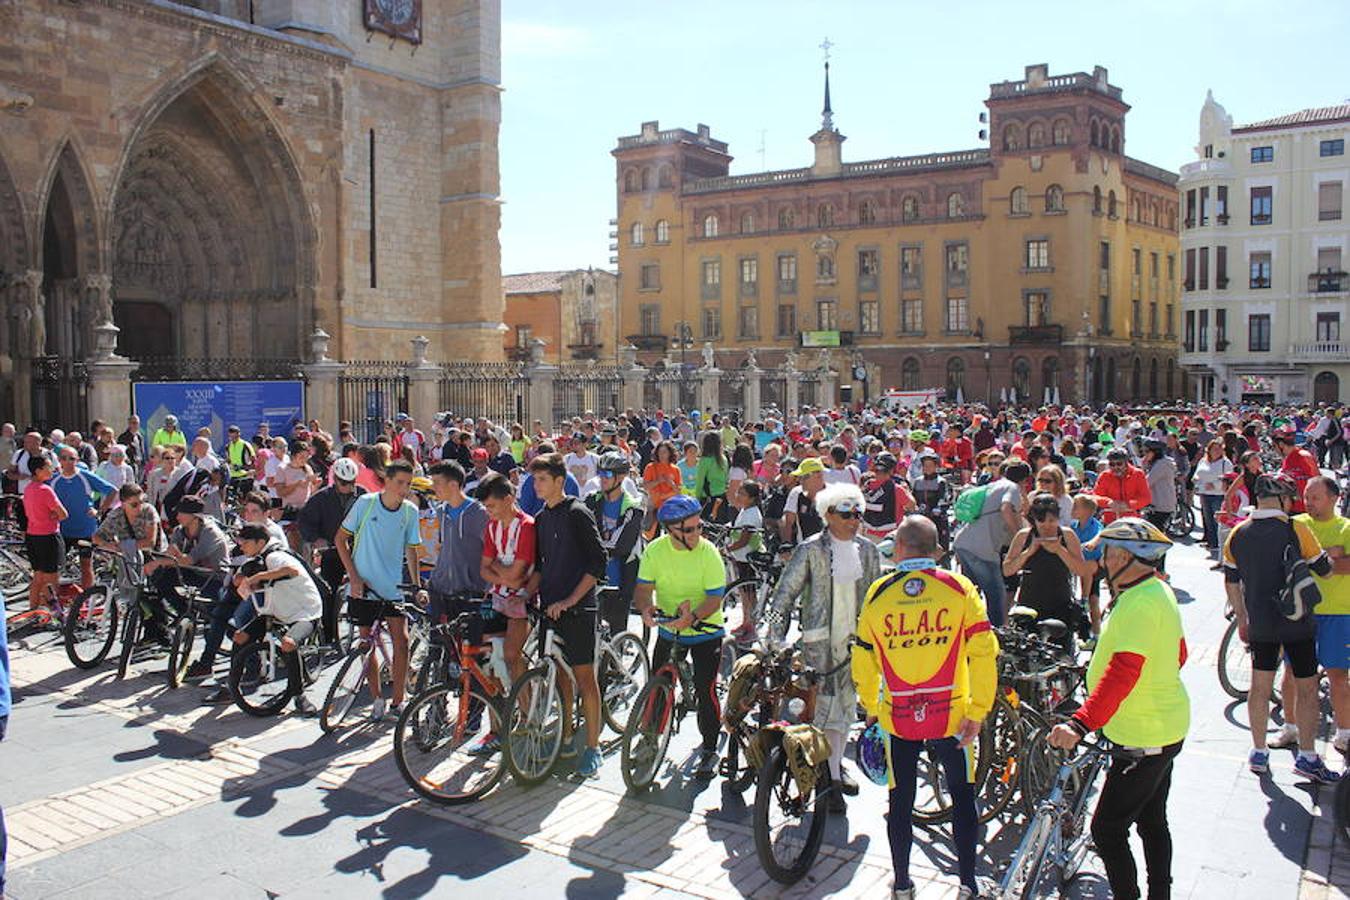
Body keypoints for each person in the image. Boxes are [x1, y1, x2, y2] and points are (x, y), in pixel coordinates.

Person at [853, 514, 997, 900]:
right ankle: (967, 884)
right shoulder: (959, 587)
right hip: (953, 716)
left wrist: (870, 705)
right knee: (963, 798)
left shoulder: (879, 593)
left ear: (898, 548)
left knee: (900, 803)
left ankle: (902, 885)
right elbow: (984, 652)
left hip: (899, 718)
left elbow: (863, 657)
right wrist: (978, 710)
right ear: (936, 550)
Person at [1048, 517, 1189, 900]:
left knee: (1107, 830)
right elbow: (1179, 654)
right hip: (1162, 726)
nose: (1104, 561)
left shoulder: (1141, 603)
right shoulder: (1156, 591)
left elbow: (1122, 673)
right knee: (1151, 819)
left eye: (1108, 554)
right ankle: (1160, 893)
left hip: (1143, 735)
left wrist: (1080, 724)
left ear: (1126, 556)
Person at [766, 483, 882, 812]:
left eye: (857, 513)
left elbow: (878, 600)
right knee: (812, 713)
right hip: (817, 650)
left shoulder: (869, 552)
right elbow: (783, 596)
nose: (853, 520)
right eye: (845, 513)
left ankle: (831, 778)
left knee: (844, 714)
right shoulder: (810, 550)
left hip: (855, 651)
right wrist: (776, 638)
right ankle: (813, 774)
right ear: (828, 514)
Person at [1223, 473, 1340, 783]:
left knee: (1260, 686)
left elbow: (1231, 582)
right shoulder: (1296, 529)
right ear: (1284, 499)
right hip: (1297, 621)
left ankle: (1259, 751)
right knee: (1306, 686)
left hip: (1260, 622)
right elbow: (1325, 571)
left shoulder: (1238, 533)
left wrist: (1243, 619)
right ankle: (1307, 756)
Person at [527, 452, 608, 777]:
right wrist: (524, 594)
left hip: (579, 610)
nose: (536, 485)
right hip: (550, 608)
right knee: (560, 676)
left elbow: (597, 563)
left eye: (542, 479)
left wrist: (573, 600)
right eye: (534, 479)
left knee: (585, 679)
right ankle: (566, 735)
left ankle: (593, 747)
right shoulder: (542, 518)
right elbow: (539, 567)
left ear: (560, 481)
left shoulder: (577, 512)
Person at [636, 494, 729, 776]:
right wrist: (646, 609)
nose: (698, 533)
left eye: (699, 526)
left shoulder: (708, 552)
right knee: (657, 682)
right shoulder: (655, 550)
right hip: (669, 627)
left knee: (705, 687)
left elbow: (715, 597)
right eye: (690, 530)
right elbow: (642, 589)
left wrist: (694, 617)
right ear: (671, 530)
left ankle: (710, 748)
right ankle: (649, 737)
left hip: (704, 630)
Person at [336, 459, 423, 721]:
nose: (404, 488)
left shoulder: (410, 511)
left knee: (402, 641)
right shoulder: (366, 504)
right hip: (364, 587)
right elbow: (340, 539)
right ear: (386, 481)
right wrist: (354, 576)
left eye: (408, 484)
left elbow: (411, 550)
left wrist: (417, 585)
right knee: (366, 645)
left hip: (392, 588)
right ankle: (376, 699)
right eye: (399, 482)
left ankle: (398, 701)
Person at [228, 523, 324, 715]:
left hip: (304, 611)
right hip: (276, 610)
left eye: (245, 543)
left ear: (259, 542)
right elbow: (239, 578)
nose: (242, 547)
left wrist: (259, 577)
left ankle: (300, 697)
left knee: (288, 644)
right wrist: (242, 579)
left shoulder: (275, 556)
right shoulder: (256, 558)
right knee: (240, 637)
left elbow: (291, 570)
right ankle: (232, 685)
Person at [1295, 476, 1350, 756]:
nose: (1308, 502)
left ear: (1333, 499)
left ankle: (1344, 733)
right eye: (1307, 497)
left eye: (1315, 497)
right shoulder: (1299, 525)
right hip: (1303, 612)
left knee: (1338, 675)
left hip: (1338, 612)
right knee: (1294, 674)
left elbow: (1347, 568)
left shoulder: (1346, 528)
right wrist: (1331, 555)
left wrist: (1316, 559)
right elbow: (1294, 561)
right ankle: (1291, 728)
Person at [1002, 493, 1094, 650]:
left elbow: (1081, 570)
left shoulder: (1067, 535)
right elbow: (1007, 570)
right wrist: (1029, 552)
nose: (1047, 526)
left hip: (1060, 606)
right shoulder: (1024, 536)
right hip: (1029, 606)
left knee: (1060, 656)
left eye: (1051, 521)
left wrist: (1059, 550)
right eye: (1041, 521)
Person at [296, 456, 366, 642]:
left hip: (357, 550)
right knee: (329, 591)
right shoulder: (321, 498)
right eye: (344, 483)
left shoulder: (363, 495)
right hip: (332, 550)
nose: (348, 487)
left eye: (351, 483)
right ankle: (328, 636)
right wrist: (316, 540)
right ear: (335, 480)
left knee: (368, 586)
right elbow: (305, 523)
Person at [951, 460, 1029, 627]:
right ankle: (997, 638)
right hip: (982, 550)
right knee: (997, 597)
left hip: (964, 543)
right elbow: (1006, 509)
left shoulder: (994, 485)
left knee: (969, 594)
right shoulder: (1012, 488)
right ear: (1024, 480)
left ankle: (964, 629)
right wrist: (1019, 536)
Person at [477, 472, 536, 688]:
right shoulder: (492, 526)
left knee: (512, 655)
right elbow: (483, 569)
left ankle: (525, 709)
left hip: (520, 599)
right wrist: (505, 574)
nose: (488, 511)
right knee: (491, 659)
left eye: (491, 506)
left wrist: (496, 566)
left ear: (508, 500)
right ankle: (498, 717)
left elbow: (516, 576)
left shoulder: (526, 526)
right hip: (496, 597)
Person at [585, 453, 643, 638]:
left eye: (607, 474)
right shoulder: (591, 501)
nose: (602, 478)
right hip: (594, 576)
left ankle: (616, 664)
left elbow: (620, 545)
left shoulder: (633, 508)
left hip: (620, 577)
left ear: (620, 477)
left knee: (616, 632)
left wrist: (593, 544)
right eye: (600, 473)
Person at [51, 445, 115, 589]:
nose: (68, 462)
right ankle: (55, 602)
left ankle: (87, 598)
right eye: (64, 458)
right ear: (59, 460)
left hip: (85, 529)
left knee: (86, 565)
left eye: (71, 458)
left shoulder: (85, 476)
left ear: (77, 460)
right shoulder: (53, 479)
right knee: (56, 567)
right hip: (63, 529)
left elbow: (112, 490)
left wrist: (99, 511)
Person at [22, 455, 68, 613]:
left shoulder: (28, 489)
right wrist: (53, 515)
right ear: (38, 471)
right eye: (48, 467)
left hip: (32, 535)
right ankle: (53, 613)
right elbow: (63, 514)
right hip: (48, 536)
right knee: (52, 579)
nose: (52, 469)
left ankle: (33, 609)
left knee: (38, 576)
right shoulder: (45, 490)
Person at [860, 452, 916, 544]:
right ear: (891, 470)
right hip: (890, 539)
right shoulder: (897, 489)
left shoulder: (866, 486)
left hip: (868, 536)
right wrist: (907, 490)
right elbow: (911, 506)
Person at [1193, 439, 1234, 552]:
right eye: (1214, 449)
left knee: (1217, 520)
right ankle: (1211, 542)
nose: (1217, 451)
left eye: (1219, 449)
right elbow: (1197, 474)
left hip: (1218, 494)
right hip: (1204, 493)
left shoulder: (1226, 463)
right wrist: (1197, 481)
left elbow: (1229, 479)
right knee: (1208, 519)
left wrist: (1215, 484)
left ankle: (1218, 544)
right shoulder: (1203, 461)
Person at [1095, 447, 1153, 525]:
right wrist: (1109, 502)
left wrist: (1128, 504)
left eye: (1119, 464)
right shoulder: (1104, 476)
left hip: (1132, 521)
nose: (1115, 467)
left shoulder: (1138, 474)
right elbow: (1095, 496)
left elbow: (1146, 498)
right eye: (1112, 464)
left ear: (1126, 463)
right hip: (1110, 522)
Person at [1272, 426, 1320, 515]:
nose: (1274, 450)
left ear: (1281, 444)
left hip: (1307, 510)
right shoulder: (1287, 459)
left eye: (1274, 446)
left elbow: (1318, 481)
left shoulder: (1304, 456)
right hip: (1292, 508)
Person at [781, 456, 827, 545]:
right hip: (805, 550)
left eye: (803, 477)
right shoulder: (796, 493)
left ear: (818, 476)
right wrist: (786, 544)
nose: (800, 481)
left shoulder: (834, 496)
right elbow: (788, 522)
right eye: (799, 477)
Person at [223, 424, 256, 493]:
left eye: (235, 435)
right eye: (231, 435)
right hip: (232, 477)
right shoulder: (228, 446)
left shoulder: (245, 445)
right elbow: (228, 460)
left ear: (239, 434)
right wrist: (226, 464)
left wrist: (242, 467)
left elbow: (254, 461)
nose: (232, 438)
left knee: (244, 499)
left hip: (245, 477)